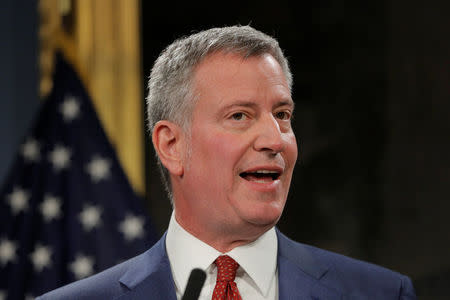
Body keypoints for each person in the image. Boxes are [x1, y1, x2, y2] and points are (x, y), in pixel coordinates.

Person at [38, 25, 416, 300]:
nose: (275, 140)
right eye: (240, 116)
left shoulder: (382, 293)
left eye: (282, 115)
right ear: (171, 145)